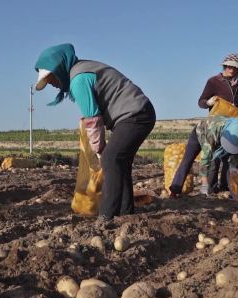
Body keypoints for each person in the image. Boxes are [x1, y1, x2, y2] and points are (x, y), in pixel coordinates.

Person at [34, 43, 155, 222]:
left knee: (110, 159)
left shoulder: (78, 80)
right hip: (139, 113)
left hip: (135, 115)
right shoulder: (82, 70)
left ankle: (107, 215)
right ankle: (125, 212)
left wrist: (99, 150)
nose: (51, 84)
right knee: (120, 163)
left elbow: (93, 120)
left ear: (59, 69)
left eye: (50, 78)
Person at [197, 53, 238, 193]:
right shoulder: (213, 81)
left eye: (235, 67)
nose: (231, 69)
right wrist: (208, 102)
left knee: (231, 157)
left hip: (232, 127)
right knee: (215, 158)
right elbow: (201, 102)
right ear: (225, 66)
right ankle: (211, 188)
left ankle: (227, 186)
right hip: (216, 126)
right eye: (229, 66)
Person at [168, 116, 238, 197]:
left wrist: (234, 170)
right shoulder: (211, 133)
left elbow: (234, 155)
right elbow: (205, 159)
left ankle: (225, 187)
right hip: (200, 134)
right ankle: (174, 190)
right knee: (187, 161)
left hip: (220, 137)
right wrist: (204, 184)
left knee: (227, 163)